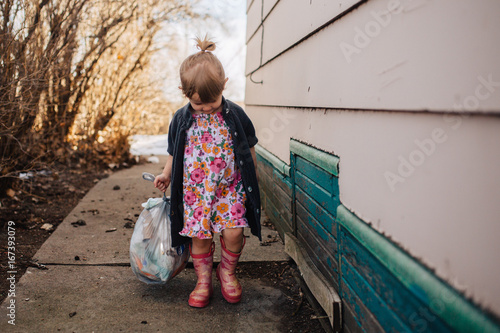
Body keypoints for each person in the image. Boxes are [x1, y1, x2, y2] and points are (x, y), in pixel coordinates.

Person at [154, 35, 261, 308]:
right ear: (184, 92)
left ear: (224, 86)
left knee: (234, 232)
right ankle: (203, 280)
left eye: (212, 102)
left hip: (230, 189)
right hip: (195, 192)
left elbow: (249, 148)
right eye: (199, 103)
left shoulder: (235, 115)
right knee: (199, 238)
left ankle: (227, 272)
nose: (206, 108)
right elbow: (173, 151)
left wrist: (253, 177)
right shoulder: (181, 119)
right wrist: (166, 174)